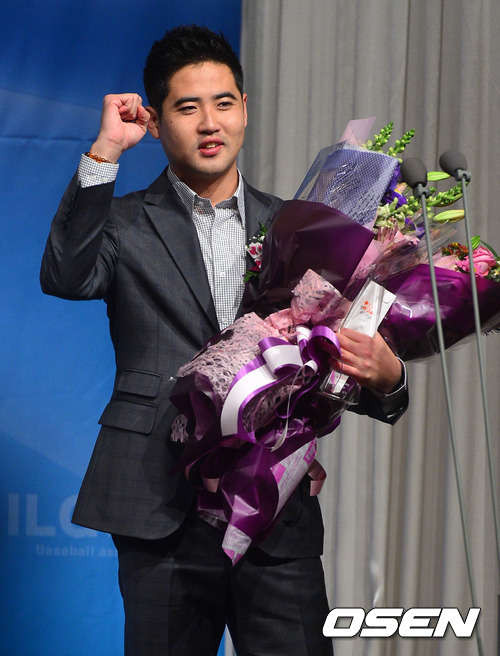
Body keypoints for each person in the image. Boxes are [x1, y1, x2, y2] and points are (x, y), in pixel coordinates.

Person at [40, 24, 408, 656]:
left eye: (224, 102)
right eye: (187, 107)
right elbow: (65, 276)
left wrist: (388, 376)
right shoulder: (124, 223)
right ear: (156, 122)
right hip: (160, 501)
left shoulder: (301, 224)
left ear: (244, 109)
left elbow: (336, 354)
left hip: (273, 504)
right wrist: (105, 151)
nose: (210, 122)